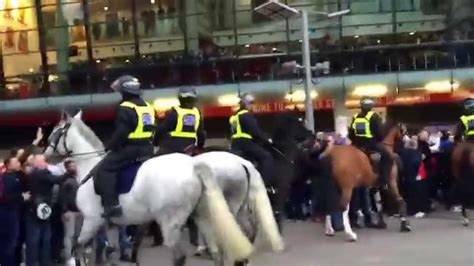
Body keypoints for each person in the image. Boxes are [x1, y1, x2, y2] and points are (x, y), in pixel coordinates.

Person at [96, 75, 155, 218]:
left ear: (125, 92)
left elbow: (122, 133)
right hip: (148, 148)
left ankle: (111, 205)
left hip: (130, 149)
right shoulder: (148, 106)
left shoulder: (125, 108)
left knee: (105, 169)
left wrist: (108, 146)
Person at [26, 154, 67, 266]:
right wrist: (69, 173)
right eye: (43, 161)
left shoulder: (38, 173)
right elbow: (57, 180)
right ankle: (36, 262)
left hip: (42, 209)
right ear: (38, 163)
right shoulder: (39, 173)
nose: (46, 164)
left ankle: (41, 261)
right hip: (38, 209)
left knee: (43, 238)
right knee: (36, 239)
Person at [229, 93, 274, 185]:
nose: (252, 106)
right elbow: (256, 132)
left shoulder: (234, 116)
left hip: (235, 144)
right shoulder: (246, 116)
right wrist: (267, 139)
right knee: (267, 157)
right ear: (245, 104)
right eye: (251, 103)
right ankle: (263, 184)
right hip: (245, 143)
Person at [348, 97, 392, 188]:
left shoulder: (355, 117)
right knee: (388, 158)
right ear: (371, 107)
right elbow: (380, 133)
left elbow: (351, 134)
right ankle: (383, 182)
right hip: (371, 145)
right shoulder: (374, 116)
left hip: (357, 146)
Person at [153, 86, 206, 154]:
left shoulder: (175, 112)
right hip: (190, 148)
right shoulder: (197, 113)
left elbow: (162, 129)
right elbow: (201, 133)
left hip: (174, 148)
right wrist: (200, 146)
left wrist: (155, 142)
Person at [0, 157, 30, 266]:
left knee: (11, 243)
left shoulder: (17, 176)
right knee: (9, 243)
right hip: (7, 214)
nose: (18, 163)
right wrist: (21, 197)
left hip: (13, 213)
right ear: (8, 165)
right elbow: (5, 197)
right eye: (16, 162)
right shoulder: (6, 179)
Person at [59, 160, 81, 265]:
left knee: (77, 235)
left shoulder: (78, 179)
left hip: (79, 211)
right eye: (72, 166)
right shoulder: (66, 181)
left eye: (75, 165)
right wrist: (65, 210)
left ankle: (76, 257)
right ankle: (69, 258)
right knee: (69, 235)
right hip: (70, 212)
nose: (75, 168)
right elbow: (62, 197)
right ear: (67, 168)